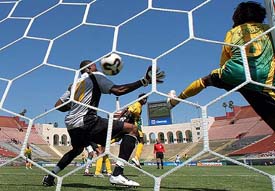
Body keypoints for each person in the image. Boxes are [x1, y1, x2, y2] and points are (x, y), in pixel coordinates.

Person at [42, 59, 165, 187]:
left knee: (77, 150)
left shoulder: (74, 84)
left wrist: (75, 104)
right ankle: (117, 174)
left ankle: (50, 177)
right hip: (87, 121)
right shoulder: (95, 76)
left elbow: (58, 106)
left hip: (72, 125)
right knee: (132, 129)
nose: (98, 68)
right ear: (89, 68)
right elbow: (118, 90)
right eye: (95, 65)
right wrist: (143, 81)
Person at [167, 1, 275, 131]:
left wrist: (228, 80)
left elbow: (224, 62)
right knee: (268, 108)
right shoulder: (269, 29)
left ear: (237, 17)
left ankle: (175, 101)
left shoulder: (233, 32)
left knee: (205, 81)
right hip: (265, 77)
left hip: (234, 73)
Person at [117, 93, 147, 169]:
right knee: (141, 141)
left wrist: (119, 118)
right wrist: (126, 121)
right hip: (134, 125)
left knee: (120, 138)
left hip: (132, 124)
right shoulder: (137, 104)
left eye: (146, 99)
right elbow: (129, 111)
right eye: (144, 98)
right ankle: (136, 158)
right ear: (140, 99)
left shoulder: (138, 105)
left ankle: (128, 159)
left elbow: (126, 109)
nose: (145, 100)